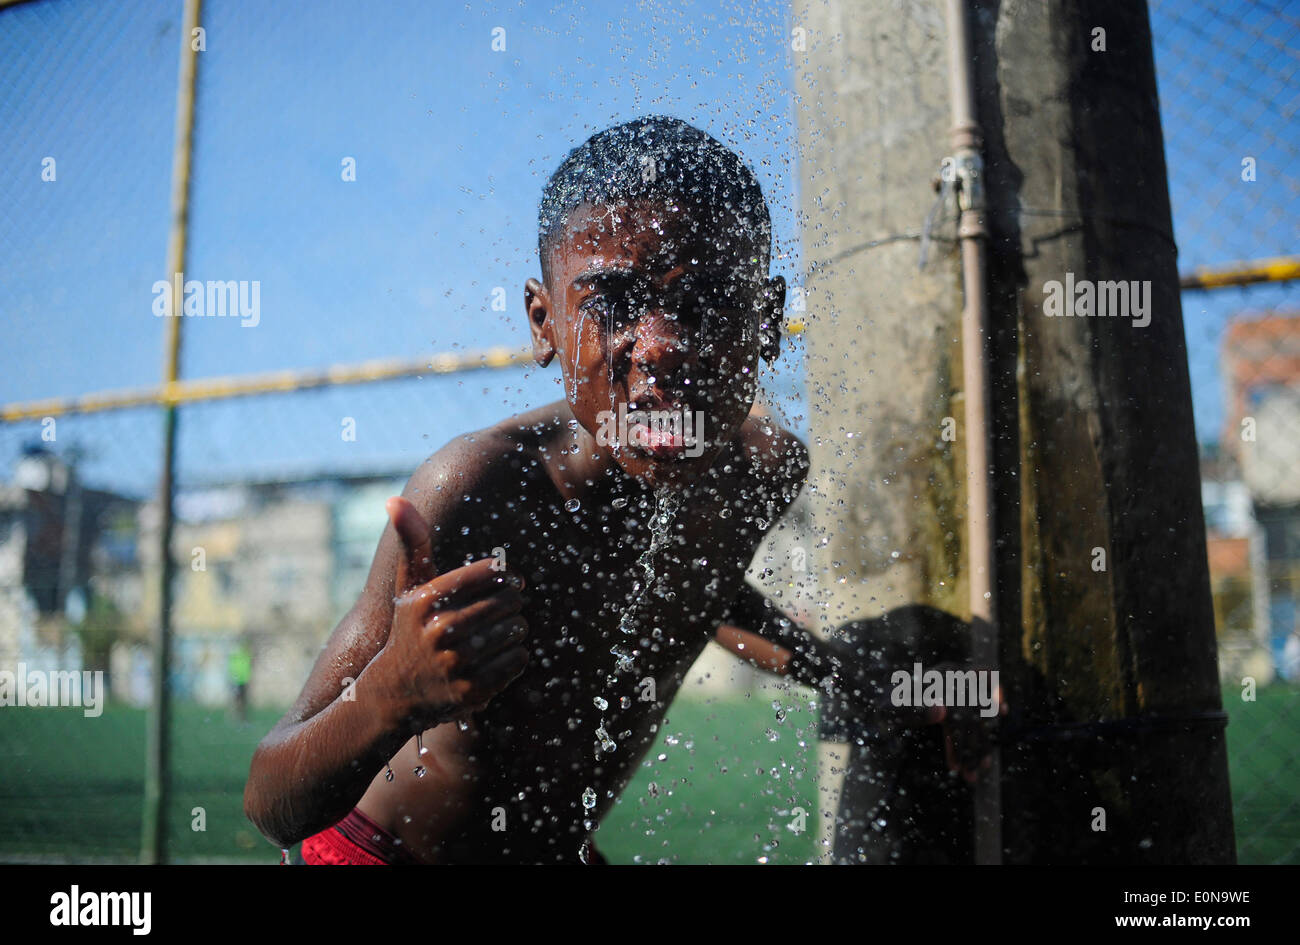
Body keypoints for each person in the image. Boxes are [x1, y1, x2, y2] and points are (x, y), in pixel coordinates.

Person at [244, 116, 992, 865]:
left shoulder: (758, 475)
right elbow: (272, 802)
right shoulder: (480, 492)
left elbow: (705, 589)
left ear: (765, 321)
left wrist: (862, 682)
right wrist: (389, 696)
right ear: (545, 322)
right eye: (613, 301)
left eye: (706, 300)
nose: (662, 344)